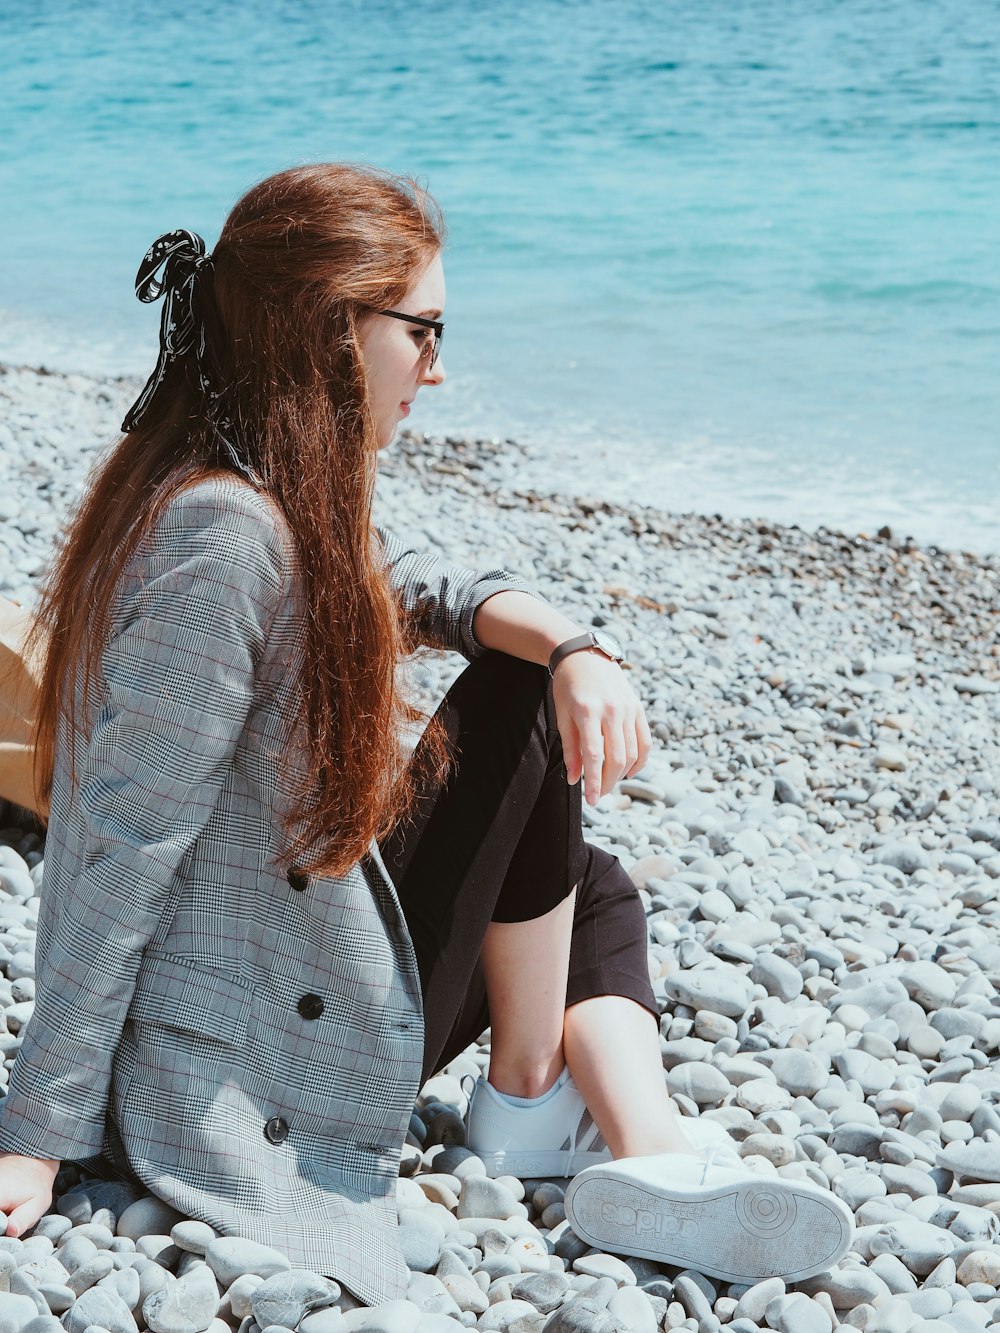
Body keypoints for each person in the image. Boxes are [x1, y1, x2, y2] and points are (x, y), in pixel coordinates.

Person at [0, 164, 852, 1304]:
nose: (438, 370)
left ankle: (613, 1136)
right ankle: (555, 1112)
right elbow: (122, 838)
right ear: (331, 325)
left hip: (274, 959)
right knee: (513, 709)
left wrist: (578, 645)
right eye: (423, 331)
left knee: (585, 880)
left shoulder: (256, 486)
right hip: (240, 1046)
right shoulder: (227, 532)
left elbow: (413, 585)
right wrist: (40, 1127)